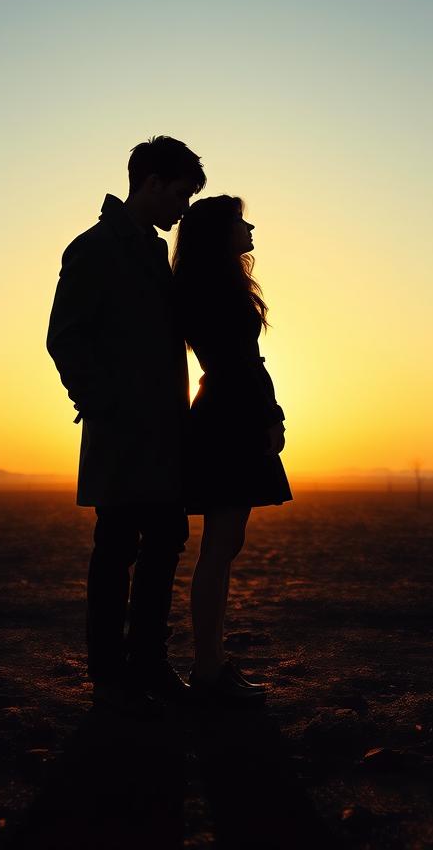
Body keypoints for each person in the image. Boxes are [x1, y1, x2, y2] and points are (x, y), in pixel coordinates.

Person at [47, 136, 206, 715]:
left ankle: (149, 664)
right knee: (116, 551)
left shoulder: (149, 252)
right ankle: (110, 676)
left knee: (165, 543)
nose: (183, 208)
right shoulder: (92, 249)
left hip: (164, 434)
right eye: (182, 193)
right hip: (121, 434)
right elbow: (64, 338)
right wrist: (104, 405)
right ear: (154, 182)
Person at [171, 195, 292, 704]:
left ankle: (212, 664)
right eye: (241, 221)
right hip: (230, 415)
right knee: (218, 551)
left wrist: (270, 411)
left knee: (223, 549)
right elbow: (240, 363)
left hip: (227, 409)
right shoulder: (215, 288)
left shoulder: (210, 284)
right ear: (221, 232)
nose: (251, 227)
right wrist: (269, 414)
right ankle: (208, 668)